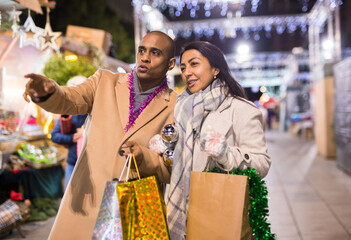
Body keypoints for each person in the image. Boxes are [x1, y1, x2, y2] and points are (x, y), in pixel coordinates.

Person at [23, 31, 177, 239]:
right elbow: (70, 98)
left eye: (155, 53)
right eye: (142, 50)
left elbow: (172, 169)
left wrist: (144, 158)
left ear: (170, 64)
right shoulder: (104, 80)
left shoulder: (176, 105)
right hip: (89, 201)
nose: (144, 57)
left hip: (138, 205)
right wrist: (49, 92)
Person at [167, 41, 271, 239]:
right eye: (183, 67)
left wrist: (226, 155)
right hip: (182, 210)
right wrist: (165, 149)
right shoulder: (181, 109)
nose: (187, 72)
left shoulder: (241, 109)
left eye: (194, 64)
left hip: (218, 209)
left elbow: (262, 163)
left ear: (215, 68)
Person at [51, 77, 88, 190]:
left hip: (90, 164)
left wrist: (86, 132)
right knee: (69, 196)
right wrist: (72, 138)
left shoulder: (94, 112)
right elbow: (54, 136)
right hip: (72, 161)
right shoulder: (68, 112)